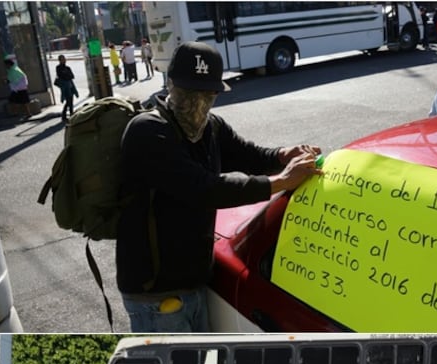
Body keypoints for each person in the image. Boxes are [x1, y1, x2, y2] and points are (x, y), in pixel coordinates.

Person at [118, 41, 321, 332]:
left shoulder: (211, 127)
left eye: (207, 95)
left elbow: (249, 155)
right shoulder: (147, 131)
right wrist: (281, 181)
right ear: (171, 85)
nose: (198, 104)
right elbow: (204, 188)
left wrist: (283, 155)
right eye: (189, 93)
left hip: (195, 283)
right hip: (156, 294)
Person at [54, 54, 78, 123]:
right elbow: (61, 76)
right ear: (60, 60)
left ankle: (71, 114)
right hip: (65, 87)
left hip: (70, 86)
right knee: (68, 101)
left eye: (64, 59)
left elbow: (72, 76)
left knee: (71, 101)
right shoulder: (58, 67)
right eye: (62, 59)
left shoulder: (67, 68)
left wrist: (66, 75)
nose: (64, 60)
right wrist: (67, 76)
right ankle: (64, 115)